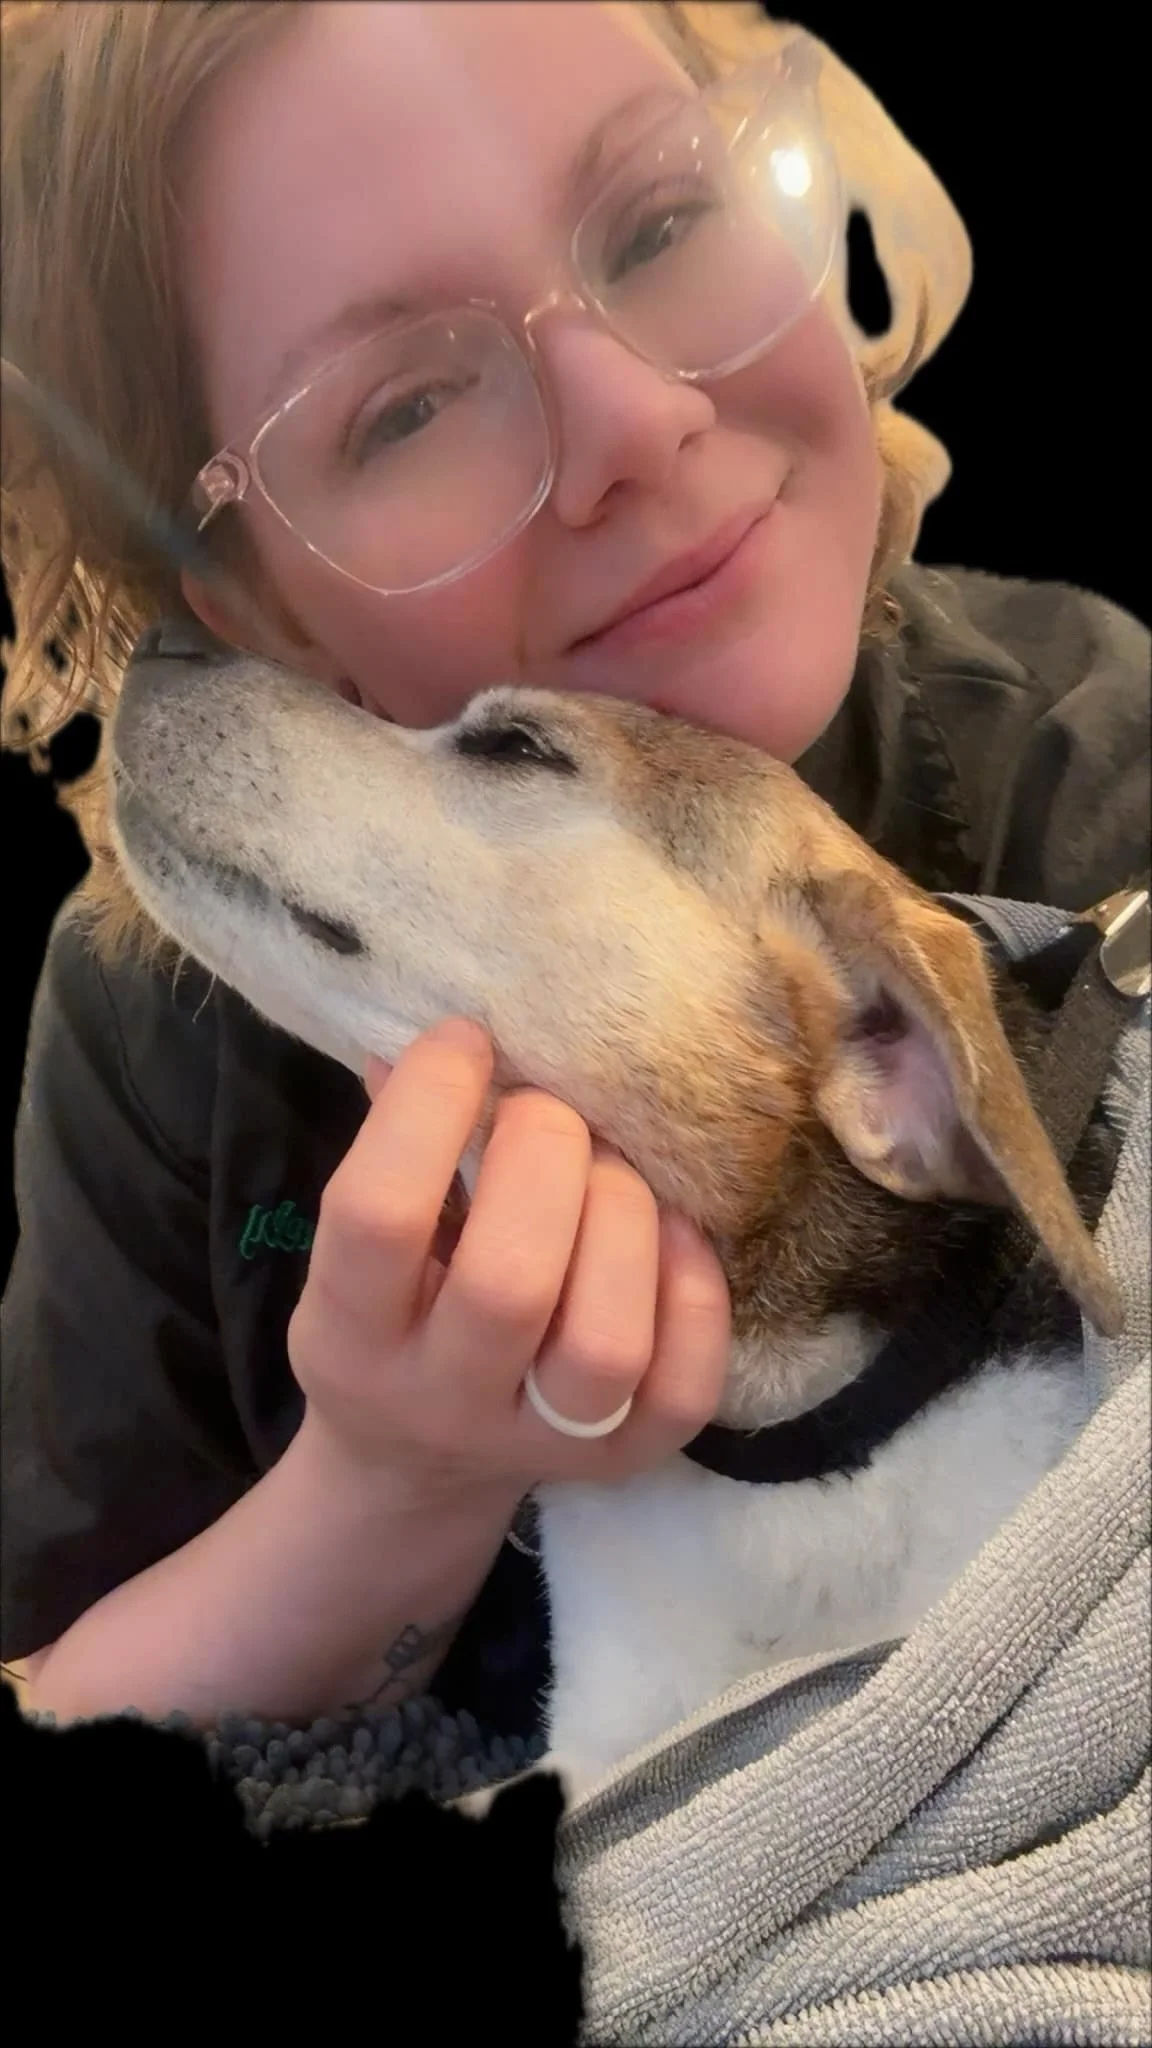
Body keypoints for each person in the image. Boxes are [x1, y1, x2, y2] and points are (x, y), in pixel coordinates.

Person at [1, 1, 1147, 1737]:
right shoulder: (154, 1045)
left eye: (663, 223)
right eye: (402, 411)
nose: (635, 413)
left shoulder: (1096, 776)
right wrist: (388, 1487)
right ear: (253, 616)